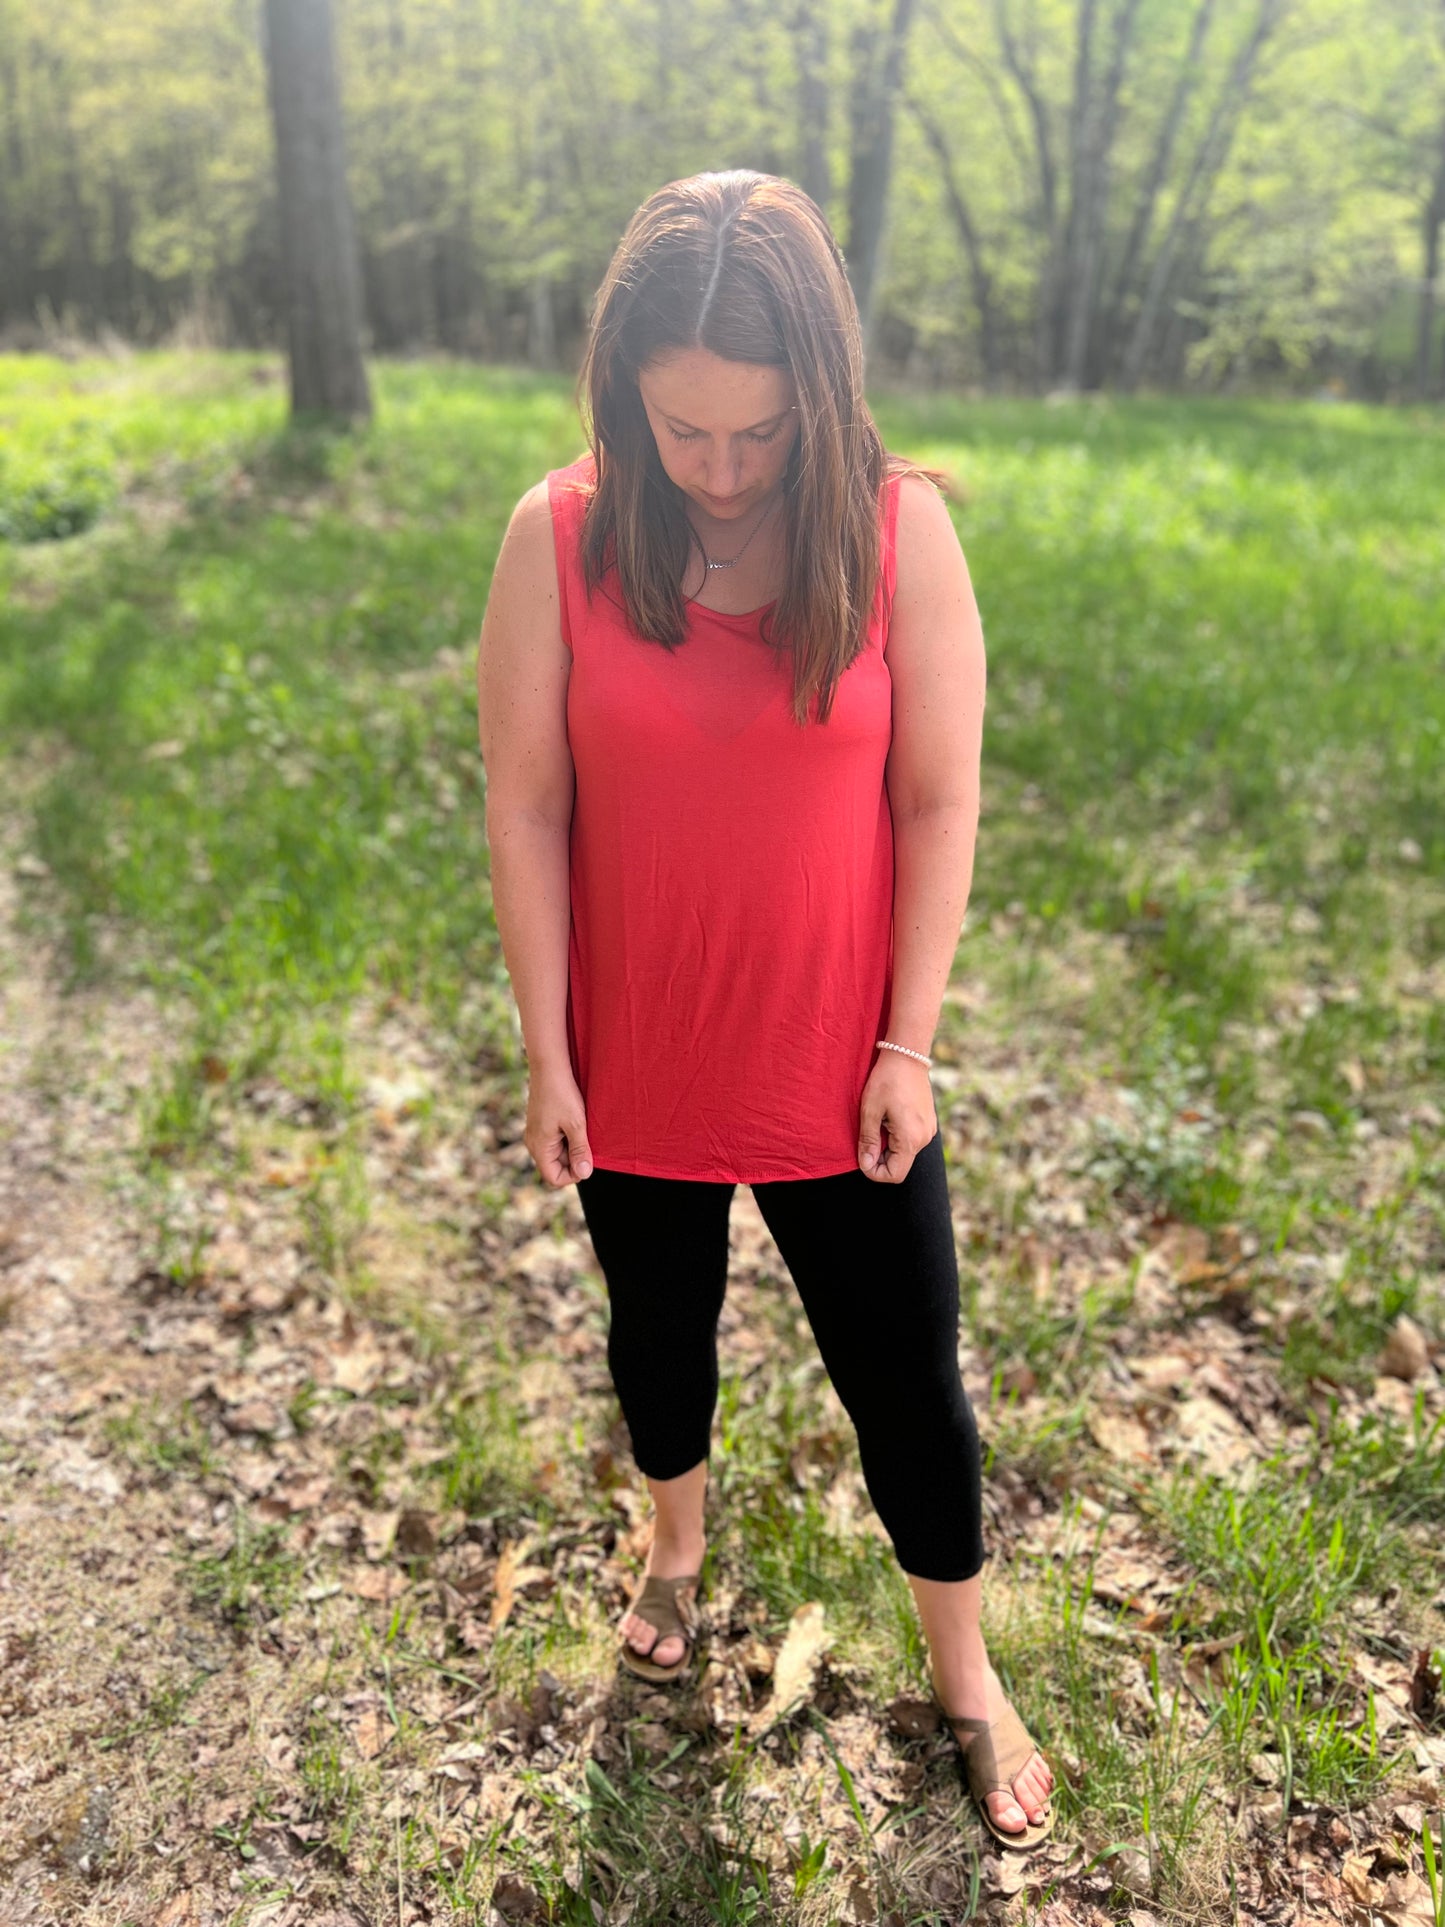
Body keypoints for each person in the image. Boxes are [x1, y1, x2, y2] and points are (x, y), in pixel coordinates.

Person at [475, 169, 1055, 1851]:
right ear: (624, 390)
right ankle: (672, 1548)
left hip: (836, 1062)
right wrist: (546, 1045)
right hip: (635, 1052)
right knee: (656, 1339)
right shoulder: (560, 535)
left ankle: (961, 1666)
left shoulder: (893, 527)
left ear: (822, 385)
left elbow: (937, 797)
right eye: (682, 430)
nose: (720, 466)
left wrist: (907, 1043)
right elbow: (527, 801)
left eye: (758, 431)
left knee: (907, 1380)